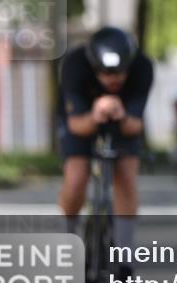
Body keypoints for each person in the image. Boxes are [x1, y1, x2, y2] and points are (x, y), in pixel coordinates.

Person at [57, 26, 154, 268]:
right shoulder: (75, 66)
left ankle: (123, 257)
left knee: (126, 175)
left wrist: (121, 116)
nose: (113, 79)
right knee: (76, 177)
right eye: (105, 73)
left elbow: (135, 126)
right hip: (82, 120)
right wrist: (95, 115)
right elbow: (77, 125)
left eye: (119, 73)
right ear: (93, 67)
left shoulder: (142, 68)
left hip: (123, 123)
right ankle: (69, 236)